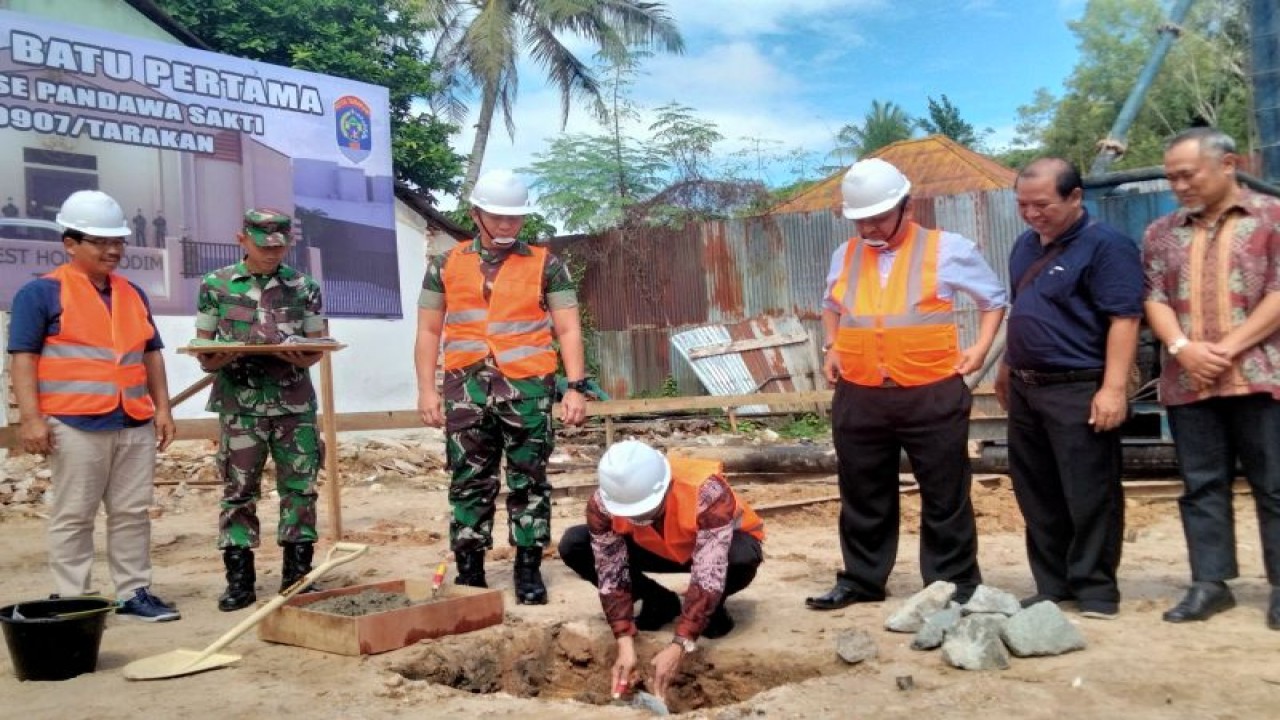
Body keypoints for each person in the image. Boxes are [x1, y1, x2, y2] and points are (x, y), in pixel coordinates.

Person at [806, 158, 1008, 610]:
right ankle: (862, 580)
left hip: (931, 389)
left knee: (944, 492)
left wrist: (979, 349)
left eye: (878, 218)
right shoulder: (846, 254)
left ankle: (952, 582)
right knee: (862, 492)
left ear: (906, 207)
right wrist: (832, 346)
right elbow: (831, 303)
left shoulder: (947, 249)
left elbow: (994, 300)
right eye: (861, 220)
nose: (870, 228)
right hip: (860, 393)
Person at [415, 169, 588, 605]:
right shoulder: (445, 265)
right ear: (476, 214)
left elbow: (568, 329)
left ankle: (527, 570)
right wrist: (426, 390)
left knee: (529, 481)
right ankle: (470, 572)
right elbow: (428, 331)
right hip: (465, 389)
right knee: (469, 481)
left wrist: (576, 388)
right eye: (498, 216)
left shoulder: (547, 264)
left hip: (527, 390)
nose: (508, 225)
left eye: (516, 217)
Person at [7, 190, 179, 621]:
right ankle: (73, 598)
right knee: (74, 514)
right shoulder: (40, 294)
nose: (113, 250)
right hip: (75, 422)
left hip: (132, 421)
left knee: (131, 512)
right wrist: (30, 418)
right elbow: (22, 358)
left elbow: (151, 354)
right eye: (100, 241)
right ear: (70, 244)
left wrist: (163, 409)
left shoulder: (132, 293)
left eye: (117, 241)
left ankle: (133, 592)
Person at [1143, 127, 1280, 629]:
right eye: (1171, 177)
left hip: (1263, 377)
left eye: (1187, 174)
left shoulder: (1272, 218)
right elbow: (1153, 297)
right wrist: (1182, 349)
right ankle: (1209, 583)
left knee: (1275, 483)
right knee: (1200, 485)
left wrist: (1226, 348)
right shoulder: (1161, 232)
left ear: (1227, 165)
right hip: (1189, 381)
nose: (1178, 185)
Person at [995, 158, 1143, 618]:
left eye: (1042, 205)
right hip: (1024, 386)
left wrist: (1113, 389)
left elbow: (1125, 317)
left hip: (1078, 386)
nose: (1032, 214)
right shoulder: (1023, 246)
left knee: (1089, 490)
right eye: (1022, 204)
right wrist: (1005, 365)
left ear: (1075, 197)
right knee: (1035, 488)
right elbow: (1024, 308)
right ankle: (1052, 584)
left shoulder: (1107, 246)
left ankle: (1097, 589)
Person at [558, 440, 764, 701]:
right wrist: (624, 640)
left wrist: (681, 642)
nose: (638, 517)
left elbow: (709, 571)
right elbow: (611, 571)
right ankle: (658, 600)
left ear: (665, 487)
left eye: (646, 509)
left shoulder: (707, 490)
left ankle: (713, 609)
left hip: (717, 549)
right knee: (575, 544)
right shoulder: (603, 504)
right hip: (656, 548)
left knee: (741, 557)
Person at [193, 209, 326, 612]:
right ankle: (240, 582)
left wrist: (299, 356)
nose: (272, 253)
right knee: (237, 493)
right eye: (263, 245)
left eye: (280, 246)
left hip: (293, 404)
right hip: (240, 405)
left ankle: (297, 579)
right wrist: (221, 356)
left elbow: (317, 347)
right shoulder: (215, 285)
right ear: (242, 239)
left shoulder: (304, 287)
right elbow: (203, 350)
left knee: (300, 491)